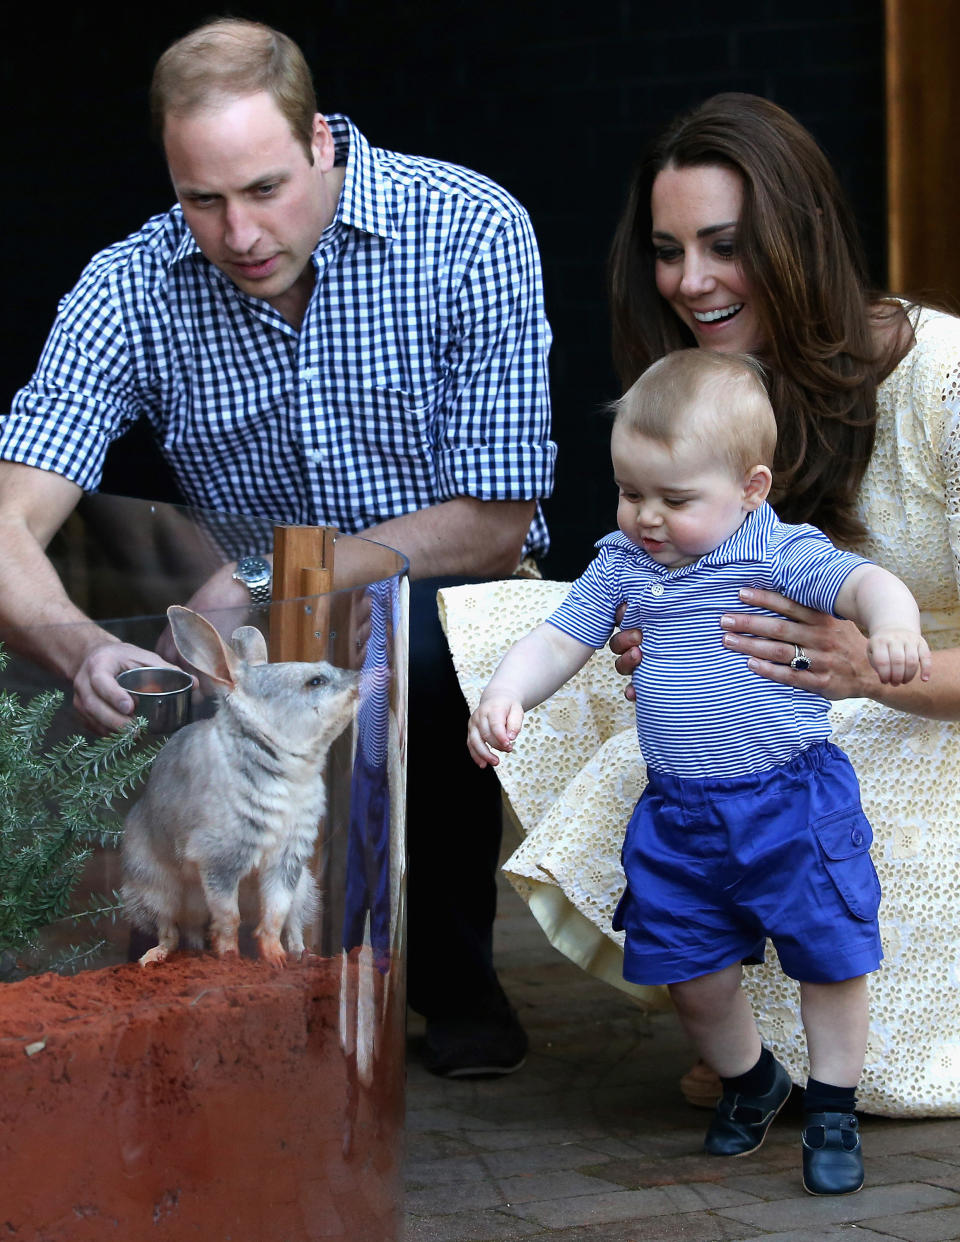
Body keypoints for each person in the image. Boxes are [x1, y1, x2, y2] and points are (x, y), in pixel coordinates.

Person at [0, 18, 556, 1077]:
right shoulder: (130, 286)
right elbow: (5, 520)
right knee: (148, 696)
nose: (238, 232)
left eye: (264, 190)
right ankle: (184, 977)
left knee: (413, 664)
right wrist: (80, 649)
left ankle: (446, 975)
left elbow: (495, 515)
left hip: (443, 584)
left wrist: (264, 573)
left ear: (322, 145)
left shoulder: (472, 227)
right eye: (201, 200)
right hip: (247, 628)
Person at [438, 90, 960, 1120]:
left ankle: (806, 1046)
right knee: (495, 636)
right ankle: (714, 1026)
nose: (690, 281)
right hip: (792, 701)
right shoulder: (714, 387)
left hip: (933, 711)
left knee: (843, 936)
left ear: (800, 238)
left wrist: (870, 669)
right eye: (669, 251)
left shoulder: (943, 379)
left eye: (724, 246)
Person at [467, 349, 929, 1194]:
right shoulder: (624, 563)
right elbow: (561, 637)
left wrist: (893, 627)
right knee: (689, 970)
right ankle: (755, 1080)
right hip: (680, 812)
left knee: (830, 955)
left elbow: (865, 583)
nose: (646, 516)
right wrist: (507, 690)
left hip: (791, 801)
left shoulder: (779, 551)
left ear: (750, 488)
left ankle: (832, 1105)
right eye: (630, 490)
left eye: (675, 500)